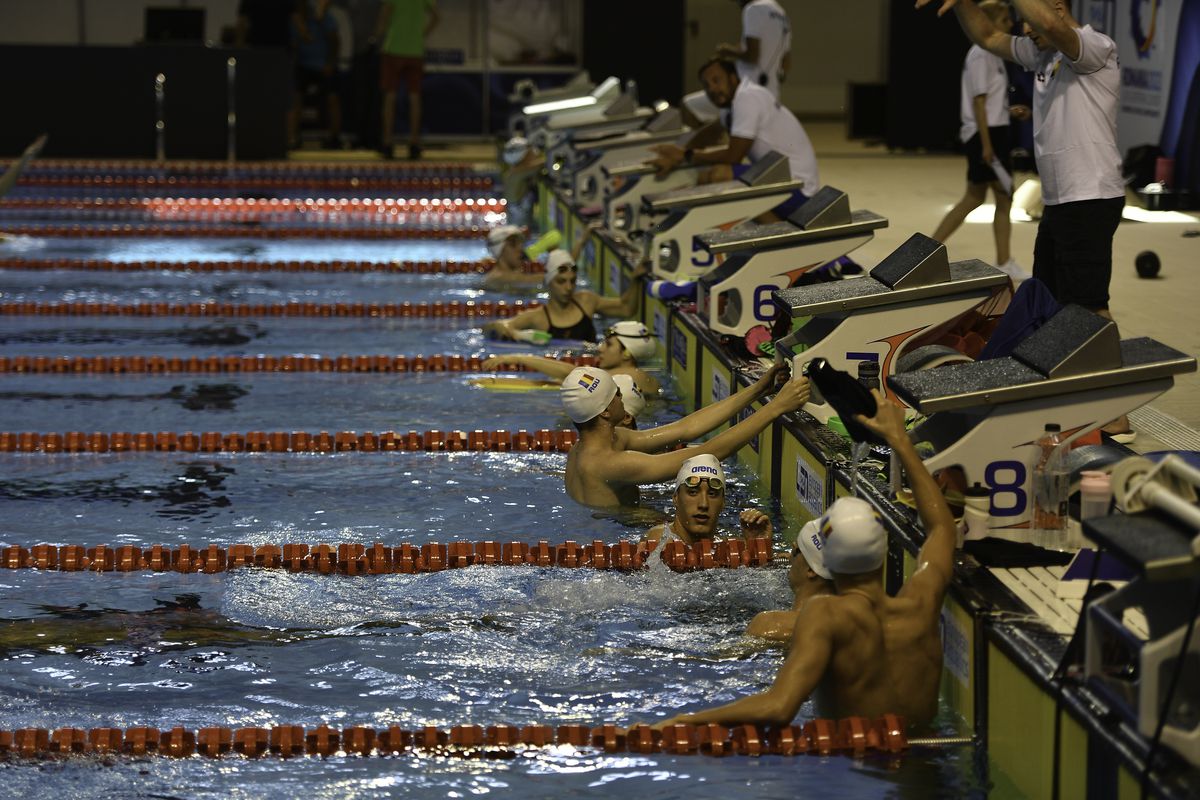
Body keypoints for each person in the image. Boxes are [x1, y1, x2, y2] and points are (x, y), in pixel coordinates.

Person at [651, 391, 956, 728]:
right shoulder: (921, 603)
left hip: (853, 771)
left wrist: (683, 720)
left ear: (823, 565)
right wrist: (900, 441)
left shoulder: (825, 615)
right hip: (923, 769)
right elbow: (942, 528)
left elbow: (779, 707)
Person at [917, 0, 1129, 438]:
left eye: (1029, 19)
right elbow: (987, 37)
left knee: (1090, 305)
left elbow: (1049, 22)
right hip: (1060, 201)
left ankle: (1117, 409)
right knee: (1050, 299)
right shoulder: (1043, 54)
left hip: (1090, 196)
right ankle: (1064, 387)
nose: (1023, 27)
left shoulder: (1093, 46)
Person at [560, 364, 810, 509]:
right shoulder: (610, 464)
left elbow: (685, 428)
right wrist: (776, 407)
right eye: (615, 394)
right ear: (604, 412)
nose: (621, 398)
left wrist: (757, 390)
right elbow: (709, 453)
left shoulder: (592, 447)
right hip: (624, 533)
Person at [931, 1, 1031, 283]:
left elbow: (990, 102)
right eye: (1005, 20)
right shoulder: (980, 54)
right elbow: (979, 102)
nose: (1011, 25)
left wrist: (1009, 111)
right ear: (990, 21)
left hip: (994, 132)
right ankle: (924, 253)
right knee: (977, 198)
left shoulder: (992, 53)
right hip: (984, 137)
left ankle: (1004, 260)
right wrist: (987, 146)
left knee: (998, 197)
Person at [651, 58, 818, 222]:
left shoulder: (747, 98)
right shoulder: (734, 102)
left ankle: (777, 233)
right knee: (710, 174)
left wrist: (686, 155)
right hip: (782, 180)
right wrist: (677, 153)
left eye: (716, 80)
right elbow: (709, 134)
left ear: (732, 78)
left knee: (719, 176)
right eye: (706, 85)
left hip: (798, 190)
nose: (712, 89)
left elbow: (733, 156)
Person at [483, 251, 648, 342]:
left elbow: (626, 309)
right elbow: (494, 327)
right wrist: (515, 332)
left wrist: (635, 280)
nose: (568, 288)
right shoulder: (538, 317)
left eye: (572, 281)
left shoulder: (586, 301)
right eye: (561, 282)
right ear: (548, 283)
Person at [482, 319, 661, 394]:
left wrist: (519, 358)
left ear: (627, 352)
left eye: (608, 344)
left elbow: (574, 373)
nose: (600, 349)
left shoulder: (632, 376)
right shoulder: (634, 375)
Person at [641, 454, 773, 550]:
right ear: (675, 498)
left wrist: (759, 547)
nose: (703, 504)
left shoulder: (734, 547)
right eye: (693, 492)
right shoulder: (657, 542)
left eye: (712, 494)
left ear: (723, 503)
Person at [743, 517, 835, 643]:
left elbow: (727, 657)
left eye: (796, 551)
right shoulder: (847, 627)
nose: (790, 556)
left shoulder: (769, 624)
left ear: (811, 570)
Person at [375, 0, 439, 160]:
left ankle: (388, 143)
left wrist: (377, 36)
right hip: (415, 50)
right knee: (415, 97)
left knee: (390, 97)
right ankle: (414, 143)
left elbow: (384, 17)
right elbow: (436, 17)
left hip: (393, 48)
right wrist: (420, 33)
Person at [289, 0, 342, 149]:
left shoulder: (322, 16)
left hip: (324, 65)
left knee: (333, 98)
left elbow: (335, 40)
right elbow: (293, 46)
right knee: (294, 97)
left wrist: (330, 63)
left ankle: (334, 137)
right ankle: (292, 138)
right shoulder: (293, 20)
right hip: (303, 65)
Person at [718, 0, 792, 101]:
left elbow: (752, 56)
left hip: (750, 91)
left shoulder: (753, 9)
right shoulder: (782, 13)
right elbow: (786, 63)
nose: (740, 5)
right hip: (772, 94)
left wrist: (727, 51)